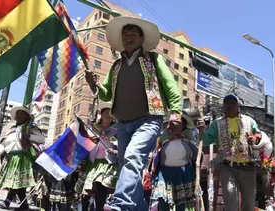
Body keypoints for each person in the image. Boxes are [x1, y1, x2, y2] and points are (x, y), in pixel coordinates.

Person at [85, 16, 182, 211]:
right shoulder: (116, 66)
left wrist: (176, 112)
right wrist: (93, 84)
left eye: (133, 35)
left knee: (132, 156)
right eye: (125, 35)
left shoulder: (153, 59)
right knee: (126, 167)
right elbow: (106, 93)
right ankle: (139, 207)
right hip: (122, 124)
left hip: (148, 120)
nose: (128, 38)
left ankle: (120, 204)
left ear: (141, 38)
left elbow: (170, 86)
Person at [197, 93, 262, 211]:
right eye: (227, 103)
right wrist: (202, 130)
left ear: (238, 106)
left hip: (247, 166)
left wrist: (254, 138)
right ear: (223, 107)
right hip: (227, 167)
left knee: (249, 202)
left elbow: (258, 134)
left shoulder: (249, 121)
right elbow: (206, 141)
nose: (230, 105)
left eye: (233, 103)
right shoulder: (216, 123)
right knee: (230, 201)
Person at [0, 106, 45, 211]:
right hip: (11, 158)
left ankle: (7, 201)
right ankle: (24, 204)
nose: (19, 116)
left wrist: (28, 136)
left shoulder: (31, 127)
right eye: (18, 114)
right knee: (19, 182)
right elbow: (4, 143)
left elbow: (41, 139)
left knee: (16, 180)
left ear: (26, 116)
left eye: (22, 114)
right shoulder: (11, 130)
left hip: (24, 157)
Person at [149, 112, 199, 211]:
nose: (174, 125)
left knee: (181, 201)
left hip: (183, 173)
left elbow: (196, 153)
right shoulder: (164, 135)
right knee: (163, 200)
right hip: (165, 173)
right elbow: (156, 152)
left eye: (178, 122)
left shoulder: (188, 136)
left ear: (183, 124)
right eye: (172, 122)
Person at [76, 102, 119, 211]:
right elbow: (84, 142)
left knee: (101, 187)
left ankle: (99, 208)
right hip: (92, 163)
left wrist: (115, 151)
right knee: (87, 190)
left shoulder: (116, 130)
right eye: (105, 113)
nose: (108, 115)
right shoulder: (92, 128)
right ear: (101, 114)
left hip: (107, 164)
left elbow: (121, 146)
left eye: (110, 114)